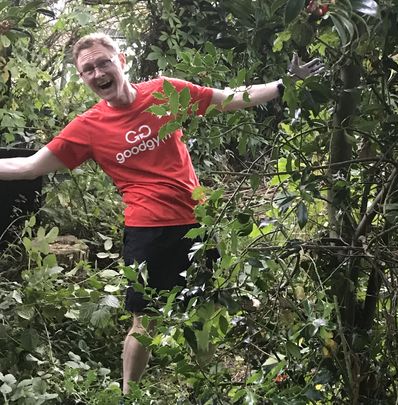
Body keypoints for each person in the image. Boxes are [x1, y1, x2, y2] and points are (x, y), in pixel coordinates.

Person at [0, 32, 323, 394]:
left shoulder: (165, 92)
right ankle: (128, 396)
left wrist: (283, 84)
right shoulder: (88, 128)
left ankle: (207, 389)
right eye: (88, 69)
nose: (97, 72)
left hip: (196, 224)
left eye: (103, 62)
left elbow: (225, 99)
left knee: (203, 314)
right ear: (83, 78)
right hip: (147, 232)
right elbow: (29, 166)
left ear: (121, 62)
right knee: (144, 321)